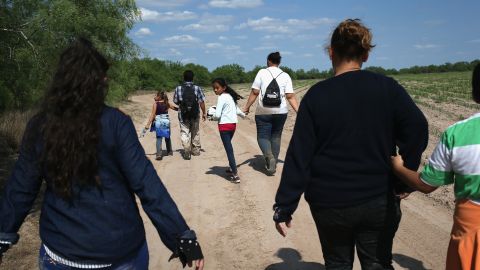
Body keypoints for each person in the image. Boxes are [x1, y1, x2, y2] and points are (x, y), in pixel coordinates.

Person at [0, 38, 204, 270]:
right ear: (95, 81)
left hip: (60, 253)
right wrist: (182, 236)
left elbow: (21, 187)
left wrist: (3, 233)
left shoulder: (39, 125)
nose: (107, 80)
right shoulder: (117, 123)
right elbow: (147, 184)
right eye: (103, 75)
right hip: (118, 253)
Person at [273, 19, 428, 270]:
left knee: (337, 264)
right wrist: (404, 174)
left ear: (331, 52)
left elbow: (299, 155)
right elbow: (418, 128)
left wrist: (284, 206)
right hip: (379, 199)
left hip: (329, 204)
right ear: (366, 54)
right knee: (377, 263)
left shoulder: (316, 95)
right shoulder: (387, 88)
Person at [391, 63, 480, 270]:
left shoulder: (457, 134)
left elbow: (426, 185)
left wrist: (398, 168)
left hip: (471, 233)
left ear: (475, 94)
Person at [243, 52, 299, 176]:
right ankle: (273, 160)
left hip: (264, 110)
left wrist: (246, 107)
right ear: (279, 62)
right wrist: (299, 112)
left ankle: (269, 157)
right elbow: (290, 96)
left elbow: (255, 92)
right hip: (281, 111)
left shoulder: (262, 73)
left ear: (268, 61)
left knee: (262, 136)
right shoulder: (285, 75)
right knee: (276, 136)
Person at [210, 78, 245, 183]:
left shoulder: (221, 98)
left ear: (224, 88)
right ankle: (231, 168)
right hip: (233, 126)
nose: (215, 90)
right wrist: (243, 115)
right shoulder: (230, 96)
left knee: (229, 150)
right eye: (214, 88)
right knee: (229, 147)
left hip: (224, 127)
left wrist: (211, 117)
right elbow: (237, 110)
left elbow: (217, 115)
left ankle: (235, 174)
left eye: (217, 88)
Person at [173, 70, 207, 160]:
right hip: (195, 113)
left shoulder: (178, 88)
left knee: (185, 131)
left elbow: (175, 101)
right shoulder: (197, 88)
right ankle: (195, 151)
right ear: (193, 78)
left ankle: (186, 148)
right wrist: (204, 113)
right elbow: (201, 102)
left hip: (183, 114)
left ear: (183, 78)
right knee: (195, 131)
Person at [145, 91, 178, 160]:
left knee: (159, 138)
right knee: (167, 137)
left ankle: (159, 154)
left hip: (159, 122)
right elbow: (175, 108)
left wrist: (148, 124)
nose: (154, 97)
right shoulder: (166, 103)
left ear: (159, 97)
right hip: (166, 121)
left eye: (155, 96)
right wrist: (182, 109)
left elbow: (153, 115)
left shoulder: (155, 104)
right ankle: (169, 152)